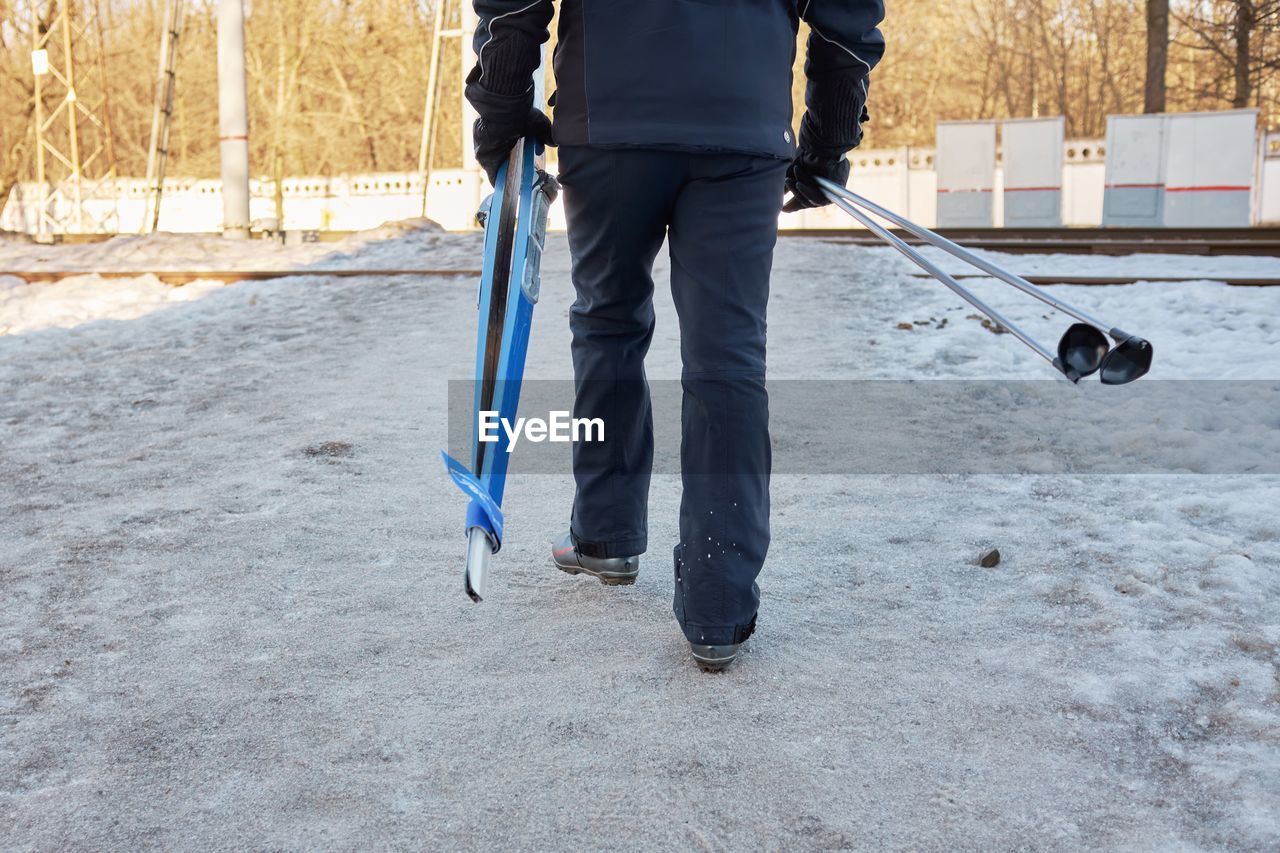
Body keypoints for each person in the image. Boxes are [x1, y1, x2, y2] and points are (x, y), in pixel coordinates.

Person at [465, 0, 885, 671]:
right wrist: (828, 141)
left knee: (607, 321)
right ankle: (718, 604)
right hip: (741, 120)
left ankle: (605, 531)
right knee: (729, 356)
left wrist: (501, 112)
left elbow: (513, 5)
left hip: (611, 112)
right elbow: (846, 15)